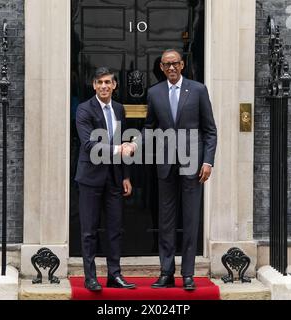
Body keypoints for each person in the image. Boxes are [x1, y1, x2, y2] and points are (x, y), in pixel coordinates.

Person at [130, 49, 217, 290]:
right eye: (166, 64)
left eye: (175, 64)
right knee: (166, 221)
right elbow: (149, 127)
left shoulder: (198, 90)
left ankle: (188, 274)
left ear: (182, 64)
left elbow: (210, 130)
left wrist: (208, 162)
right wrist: (135, 143)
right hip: (166, 165)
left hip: (193, 165)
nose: (171, 68)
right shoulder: (154, 93)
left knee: (190, 220)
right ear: (160, 67)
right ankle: (166, 272)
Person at [75, 67, 136, 291]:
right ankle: (90, 277)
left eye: (108, 82)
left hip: (114, 178)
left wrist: (126, 176)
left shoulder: (119, 109)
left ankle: (114, 275)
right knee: (89, 231)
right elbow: (89, 145)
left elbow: (124, 140)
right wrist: (120, 148)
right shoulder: (84, 110)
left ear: (114, 85)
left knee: (115, 229)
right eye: (100, 82)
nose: (104, 86)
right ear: (94, 85)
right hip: (90, 178)